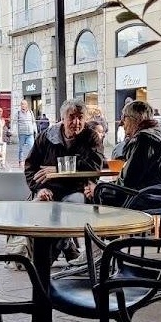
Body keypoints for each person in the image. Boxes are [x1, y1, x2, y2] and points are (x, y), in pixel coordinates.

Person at [25, 98, 104, 261]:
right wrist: (39, 189)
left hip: (77, 189)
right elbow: (30, 166)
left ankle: (47, 259)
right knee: (36, 212)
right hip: (49, 190)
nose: (76, 122)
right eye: (72, 117)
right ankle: (67, 247)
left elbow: (94, 166)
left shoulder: (91, 137)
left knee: (69, 209)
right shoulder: (46, 137)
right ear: (62, 118)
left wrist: (61, 169)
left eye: (80, 117)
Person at [87, 101, 161, 207]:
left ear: (134, 119)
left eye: (124, 117)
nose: (122, 123)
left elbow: (128, 182)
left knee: (95, 197)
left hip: (147, 197)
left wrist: (99, 189)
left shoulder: (144, 139)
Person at [15, 99, 37, 166]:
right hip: (22, 133)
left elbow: (33, 122)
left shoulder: (30, 112)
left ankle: (32, 161)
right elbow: (15, 123)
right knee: (21, 148)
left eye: (24, 104)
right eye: (22, 104)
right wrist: (15, 132)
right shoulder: (18, 113)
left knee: (32, 147)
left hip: (30, 133)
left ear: (27, 105)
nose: (23, 105)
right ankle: (20, 161)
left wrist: (35, 130)